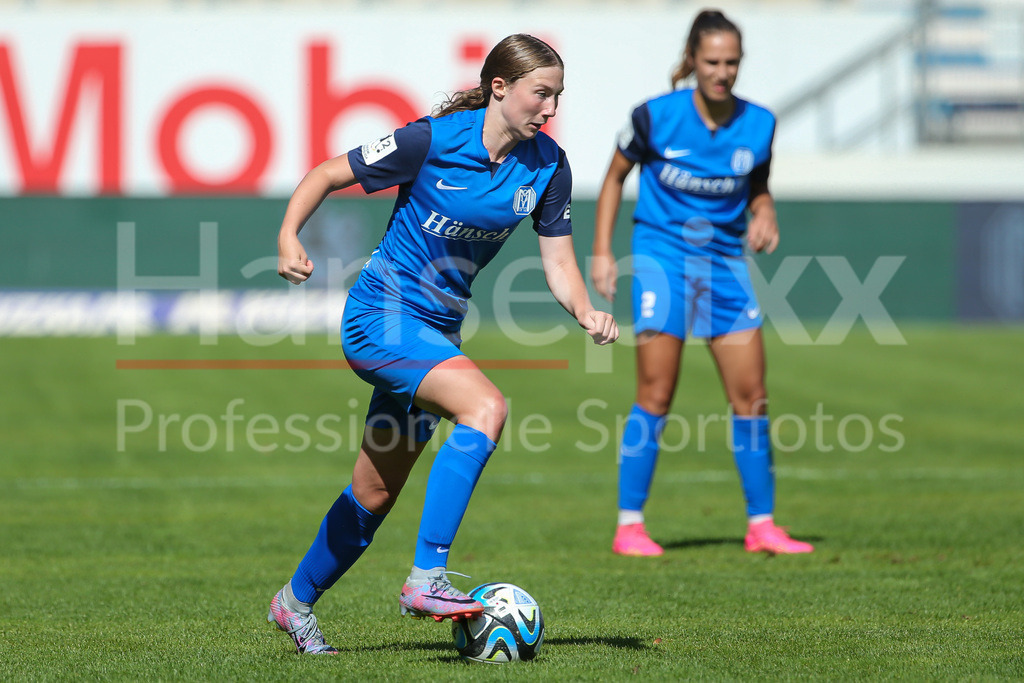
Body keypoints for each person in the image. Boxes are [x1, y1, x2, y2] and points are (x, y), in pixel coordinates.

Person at [269, 34, 618, 655]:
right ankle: (426, 578)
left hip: (435, 331)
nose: (550, 107)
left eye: (558, 96)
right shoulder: (428, 140)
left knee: (374, 495)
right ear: (500, 88)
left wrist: (586, 309)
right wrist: (290, 235)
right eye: (541, 93)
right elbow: (328, 172)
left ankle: (293, 603)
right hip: (379, 317)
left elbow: (559, 262)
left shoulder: (548, 167)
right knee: (486, 407)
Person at [590, 10, 813, 558]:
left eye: (731, 62)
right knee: (656, 394)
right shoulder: (653, 117)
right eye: (712, 61)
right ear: (692, 60)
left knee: (752, 398)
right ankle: (630, 526)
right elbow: (615, 176)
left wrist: (766, 212)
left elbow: (757, 185)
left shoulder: (759, 123)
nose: (722, 72)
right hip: (663, 261)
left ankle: (762, 525)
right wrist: (601, 252)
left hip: (726, 268)